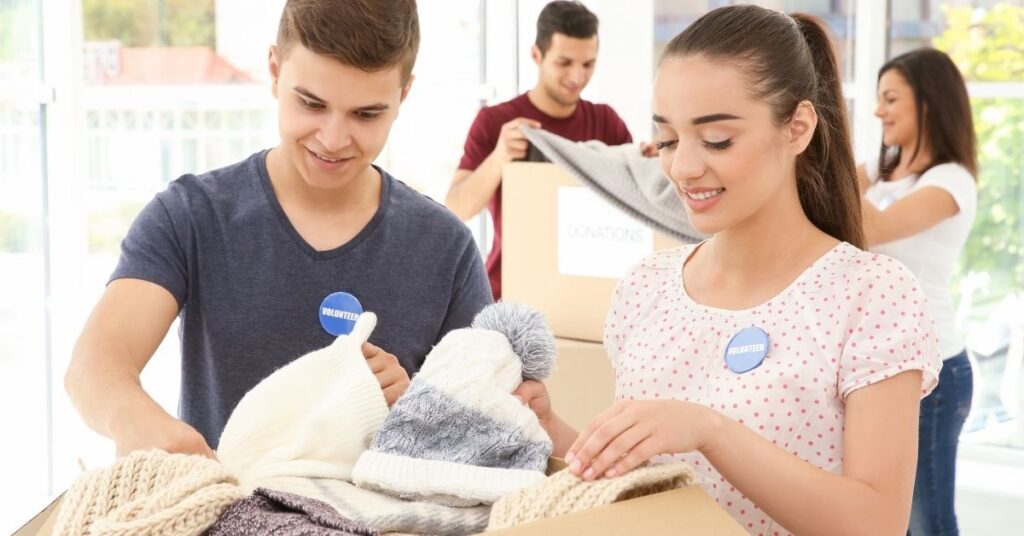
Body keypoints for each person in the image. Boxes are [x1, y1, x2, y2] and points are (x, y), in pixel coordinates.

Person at [514, 5, 943, 535]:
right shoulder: (646, 287)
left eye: (717, 140)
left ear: (798, 128)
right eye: (668, 140)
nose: (684, 167)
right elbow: (643, 487)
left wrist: (711, 431)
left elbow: (875, 523)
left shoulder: (871, 294)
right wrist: (550, 429)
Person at [65, 0, 492, 458]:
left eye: (365, 115)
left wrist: (414, 405)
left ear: (403, 95)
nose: (332, 139)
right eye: (311, 103)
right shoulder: (191, 216)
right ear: (274, 70)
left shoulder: (446, 248)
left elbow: (490, 433)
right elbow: (96, 361)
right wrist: (139, 424)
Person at [858, 48, 978, 536]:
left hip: (936, 370)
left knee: (927, 521)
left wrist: (824, 158)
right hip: (890, 364)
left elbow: (874, 229)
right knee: (892, 520)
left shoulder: (950, 181)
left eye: (890, 98)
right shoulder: (886, 172)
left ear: (928, 103)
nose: (877, 110)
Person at [445, 0, 635, 300]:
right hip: (508, 293)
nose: (577, 76)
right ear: (537, 55)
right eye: (564, 63)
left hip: (590, 292)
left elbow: (634, 203)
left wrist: (650, 163)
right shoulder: (495, 122)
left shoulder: (606, 122)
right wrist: (498, 159)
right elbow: (456, 209)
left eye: (588, 64)